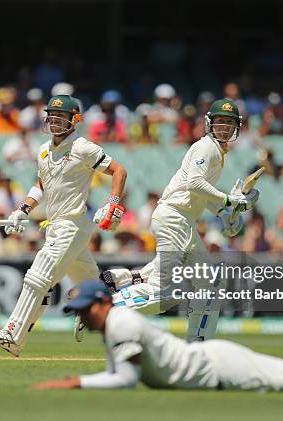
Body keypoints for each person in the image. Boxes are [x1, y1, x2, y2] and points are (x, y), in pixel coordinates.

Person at [34, 280, 283, 392]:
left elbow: (127, 380)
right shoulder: (112, 324)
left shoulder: (122, 322)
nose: (82, 316)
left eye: (85, 308)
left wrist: (74, 383)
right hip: (211, 367)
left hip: (218, 367)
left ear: (103, 302)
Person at [99, 99, 259, 342]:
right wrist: (229, 201)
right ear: (209, 124)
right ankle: (102, 305)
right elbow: (194, 183)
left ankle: (198, 346)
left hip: (180, 220)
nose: (224, 127)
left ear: (237, 126)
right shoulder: (207, 147)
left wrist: (226, 215)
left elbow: (199, 194)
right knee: (164, 294)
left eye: (229, 123)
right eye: (220, 122)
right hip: (174, 218)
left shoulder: (217, 152)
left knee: (210, 282)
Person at [0, 94, 128, 356]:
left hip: (72, 226)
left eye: (61, 117)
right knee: (97, 291)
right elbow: (41, 184)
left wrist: (113, 202)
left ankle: (13, 334)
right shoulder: (43, 150)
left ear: (75, 119)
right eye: (51, 116)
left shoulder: (84, 147)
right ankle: (129, 332)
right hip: (56, 226)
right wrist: (23, 209)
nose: (55, 121)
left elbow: (119, 171)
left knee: (37, 278)